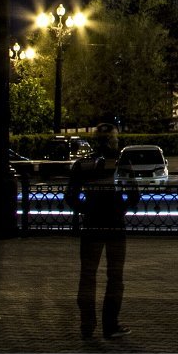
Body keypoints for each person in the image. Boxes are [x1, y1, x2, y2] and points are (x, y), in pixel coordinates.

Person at [64, 123, 141, 340]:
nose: (117, 142)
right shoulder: (120, 164)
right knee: (115, 277)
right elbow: (134, 194)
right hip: (115, 226)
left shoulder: (83, 164)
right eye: (115, 139)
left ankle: (87, 326)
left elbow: (70, 196)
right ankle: (110, 324)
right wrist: (120, 209)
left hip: (92, 224)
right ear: (108, 141)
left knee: (87, 276)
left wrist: (86, 209)